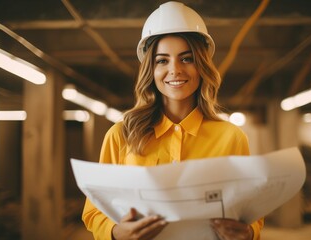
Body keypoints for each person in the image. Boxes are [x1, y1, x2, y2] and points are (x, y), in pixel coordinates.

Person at [82, 1, 264, 239]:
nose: (175, 70)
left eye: (186, 59)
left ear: (201, 66)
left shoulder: (231, 137)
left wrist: (247, 233)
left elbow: (252, 215)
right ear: (151, 69)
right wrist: (116, 233)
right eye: (162, 60)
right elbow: (93, 212)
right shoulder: (121, 134)